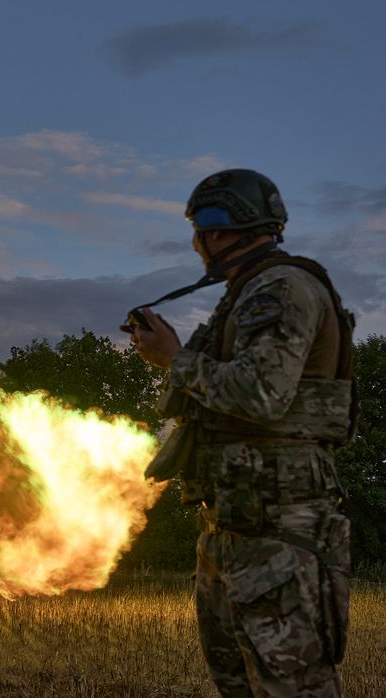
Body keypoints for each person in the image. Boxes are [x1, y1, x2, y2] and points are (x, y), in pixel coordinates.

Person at [129, 169, 355, 697]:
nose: (198, 242)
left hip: (281, 530)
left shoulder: (283, 287)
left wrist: (176, 360)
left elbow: (261, 394)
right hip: (234, 525)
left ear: (229, 230)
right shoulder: (247, 294)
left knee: (293, 687)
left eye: (205, 227)